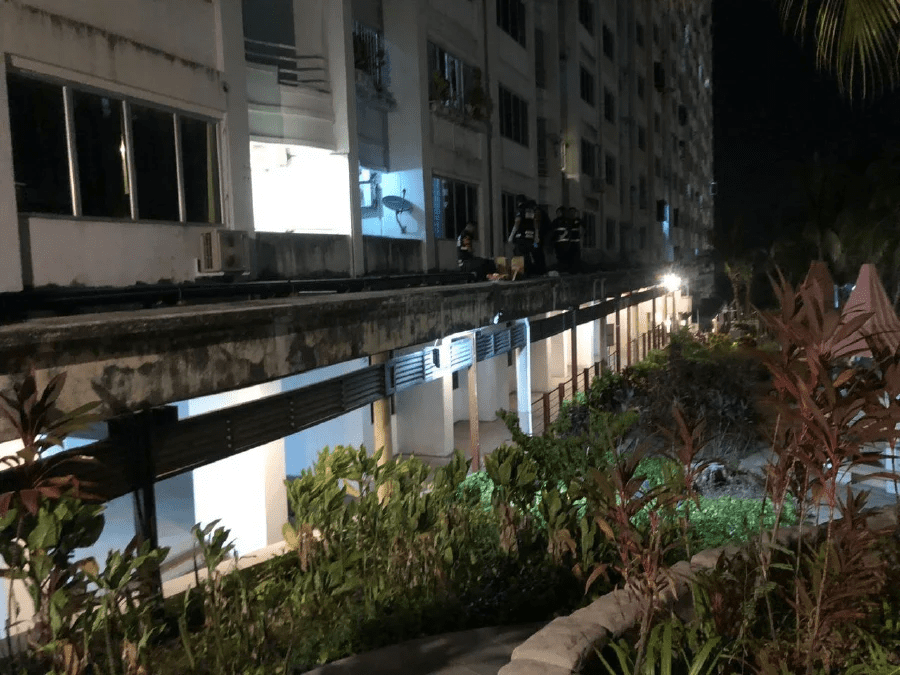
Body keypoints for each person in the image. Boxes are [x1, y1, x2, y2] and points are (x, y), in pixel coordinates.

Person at [508, 198, 540, 276]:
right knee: (528, 254)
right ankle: (529, 272)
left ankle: (520, 273)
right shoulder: (531, 212)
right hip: (530, 238)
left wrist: (511, 236)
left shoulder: (521, 210)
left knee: (519, 254)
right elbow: (535, 224)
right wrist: (536, 236)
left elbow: (517, 222)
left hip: (521, 237)